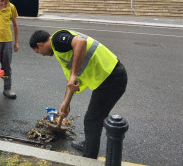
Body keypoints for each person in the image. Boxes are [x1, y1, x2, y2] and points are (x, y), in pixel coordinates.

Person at [29, 29, 127, 158]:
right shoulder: (61, 50)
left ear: (40, 45)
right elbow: (72, 80)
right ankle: (89, 144)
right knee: (94, 118)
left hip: (111, 79)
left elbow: (81, 42)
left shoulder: (57, 40)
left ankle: (89, 157)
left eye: (38, 52)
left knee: (92, 120)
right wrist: (65, 103)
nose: (42, 55)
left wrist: (74, 73)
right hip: (107, 79)